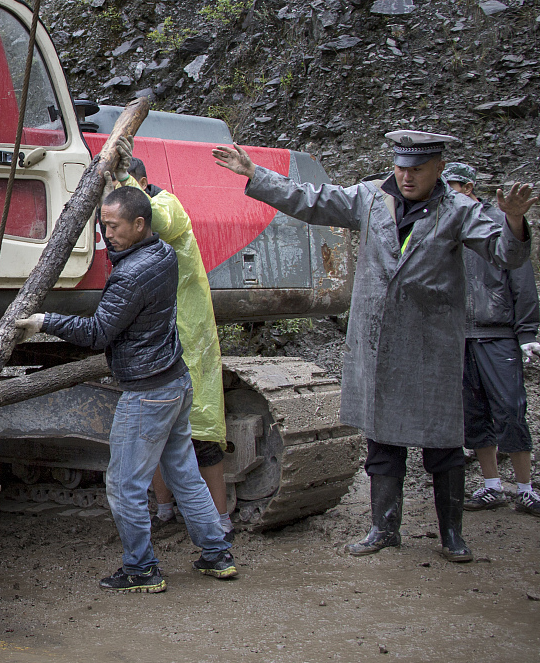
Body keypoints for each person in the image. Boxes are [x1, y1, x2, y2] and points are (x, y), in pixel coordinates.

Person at [213, 131, 535, 563]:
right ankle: (383, 529)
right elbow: (311, 200)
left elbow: (506, 255)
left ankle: (452, 536)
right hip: (377, 345)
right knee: (382, 445)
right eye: (400, 168)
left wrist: (513, 221)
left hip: (432, 348)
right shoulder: (370, 197)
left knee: (443, 446)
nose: (406, 177)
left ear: (439, 168)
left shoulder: (459, 209)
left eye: (417, 169)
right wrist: (256, 173)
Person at [15, 186, 236, 593]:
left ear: (139, 224)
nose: (107, 234)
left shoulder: (131, 274)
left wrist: (45, 322)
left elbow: (97, 332)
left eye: (114, 226)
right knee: (185, 474)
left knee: (123, 485)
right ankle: (216, 554)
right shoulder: (164, 253)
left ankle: (141, 569)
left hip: (148, 392)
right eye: (104, 225)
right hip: (175, 381)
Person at [117, 155, 231, 537]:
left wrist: (122, 181)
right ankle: (165, 512)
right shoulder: (129, 233)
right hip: (156, 335)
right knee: (156, 438)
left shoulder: (167, 205)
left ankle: (221, 520)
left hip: (188, 336)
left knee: (201, 435)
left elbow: (161, 220)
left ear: (142, 184)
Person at [443, 162, 540, 516]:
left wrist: (527, 332)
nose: (445, 193)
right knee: (473, 414)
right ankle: (491, 486)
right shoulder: (444, 223)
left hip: (497, 333)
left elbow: (522, 279)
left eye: (451, 186)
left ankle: (526, 490)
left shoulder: (499, 222)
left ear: (468, 188)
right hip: (458, 336)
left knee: (511, 409)